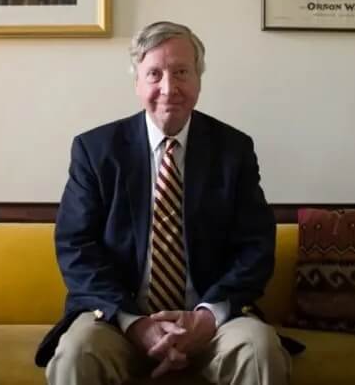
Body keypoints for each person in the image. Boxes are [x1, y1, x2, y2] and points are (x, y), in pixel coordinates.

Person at [35, 21, 299, 384]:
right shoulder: (95, 150)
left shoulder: (233, 150)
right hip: (117, 320)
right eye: (154, 74)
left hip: (212, 321)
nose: (168, 88)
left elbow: (256, 245)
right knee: (77, 354)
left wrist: (207, 317)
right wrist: (136, 325)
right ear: (137, 82)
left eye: (181, 72)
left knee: (259, 350)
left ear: (199, 79)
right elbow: (76, 247)